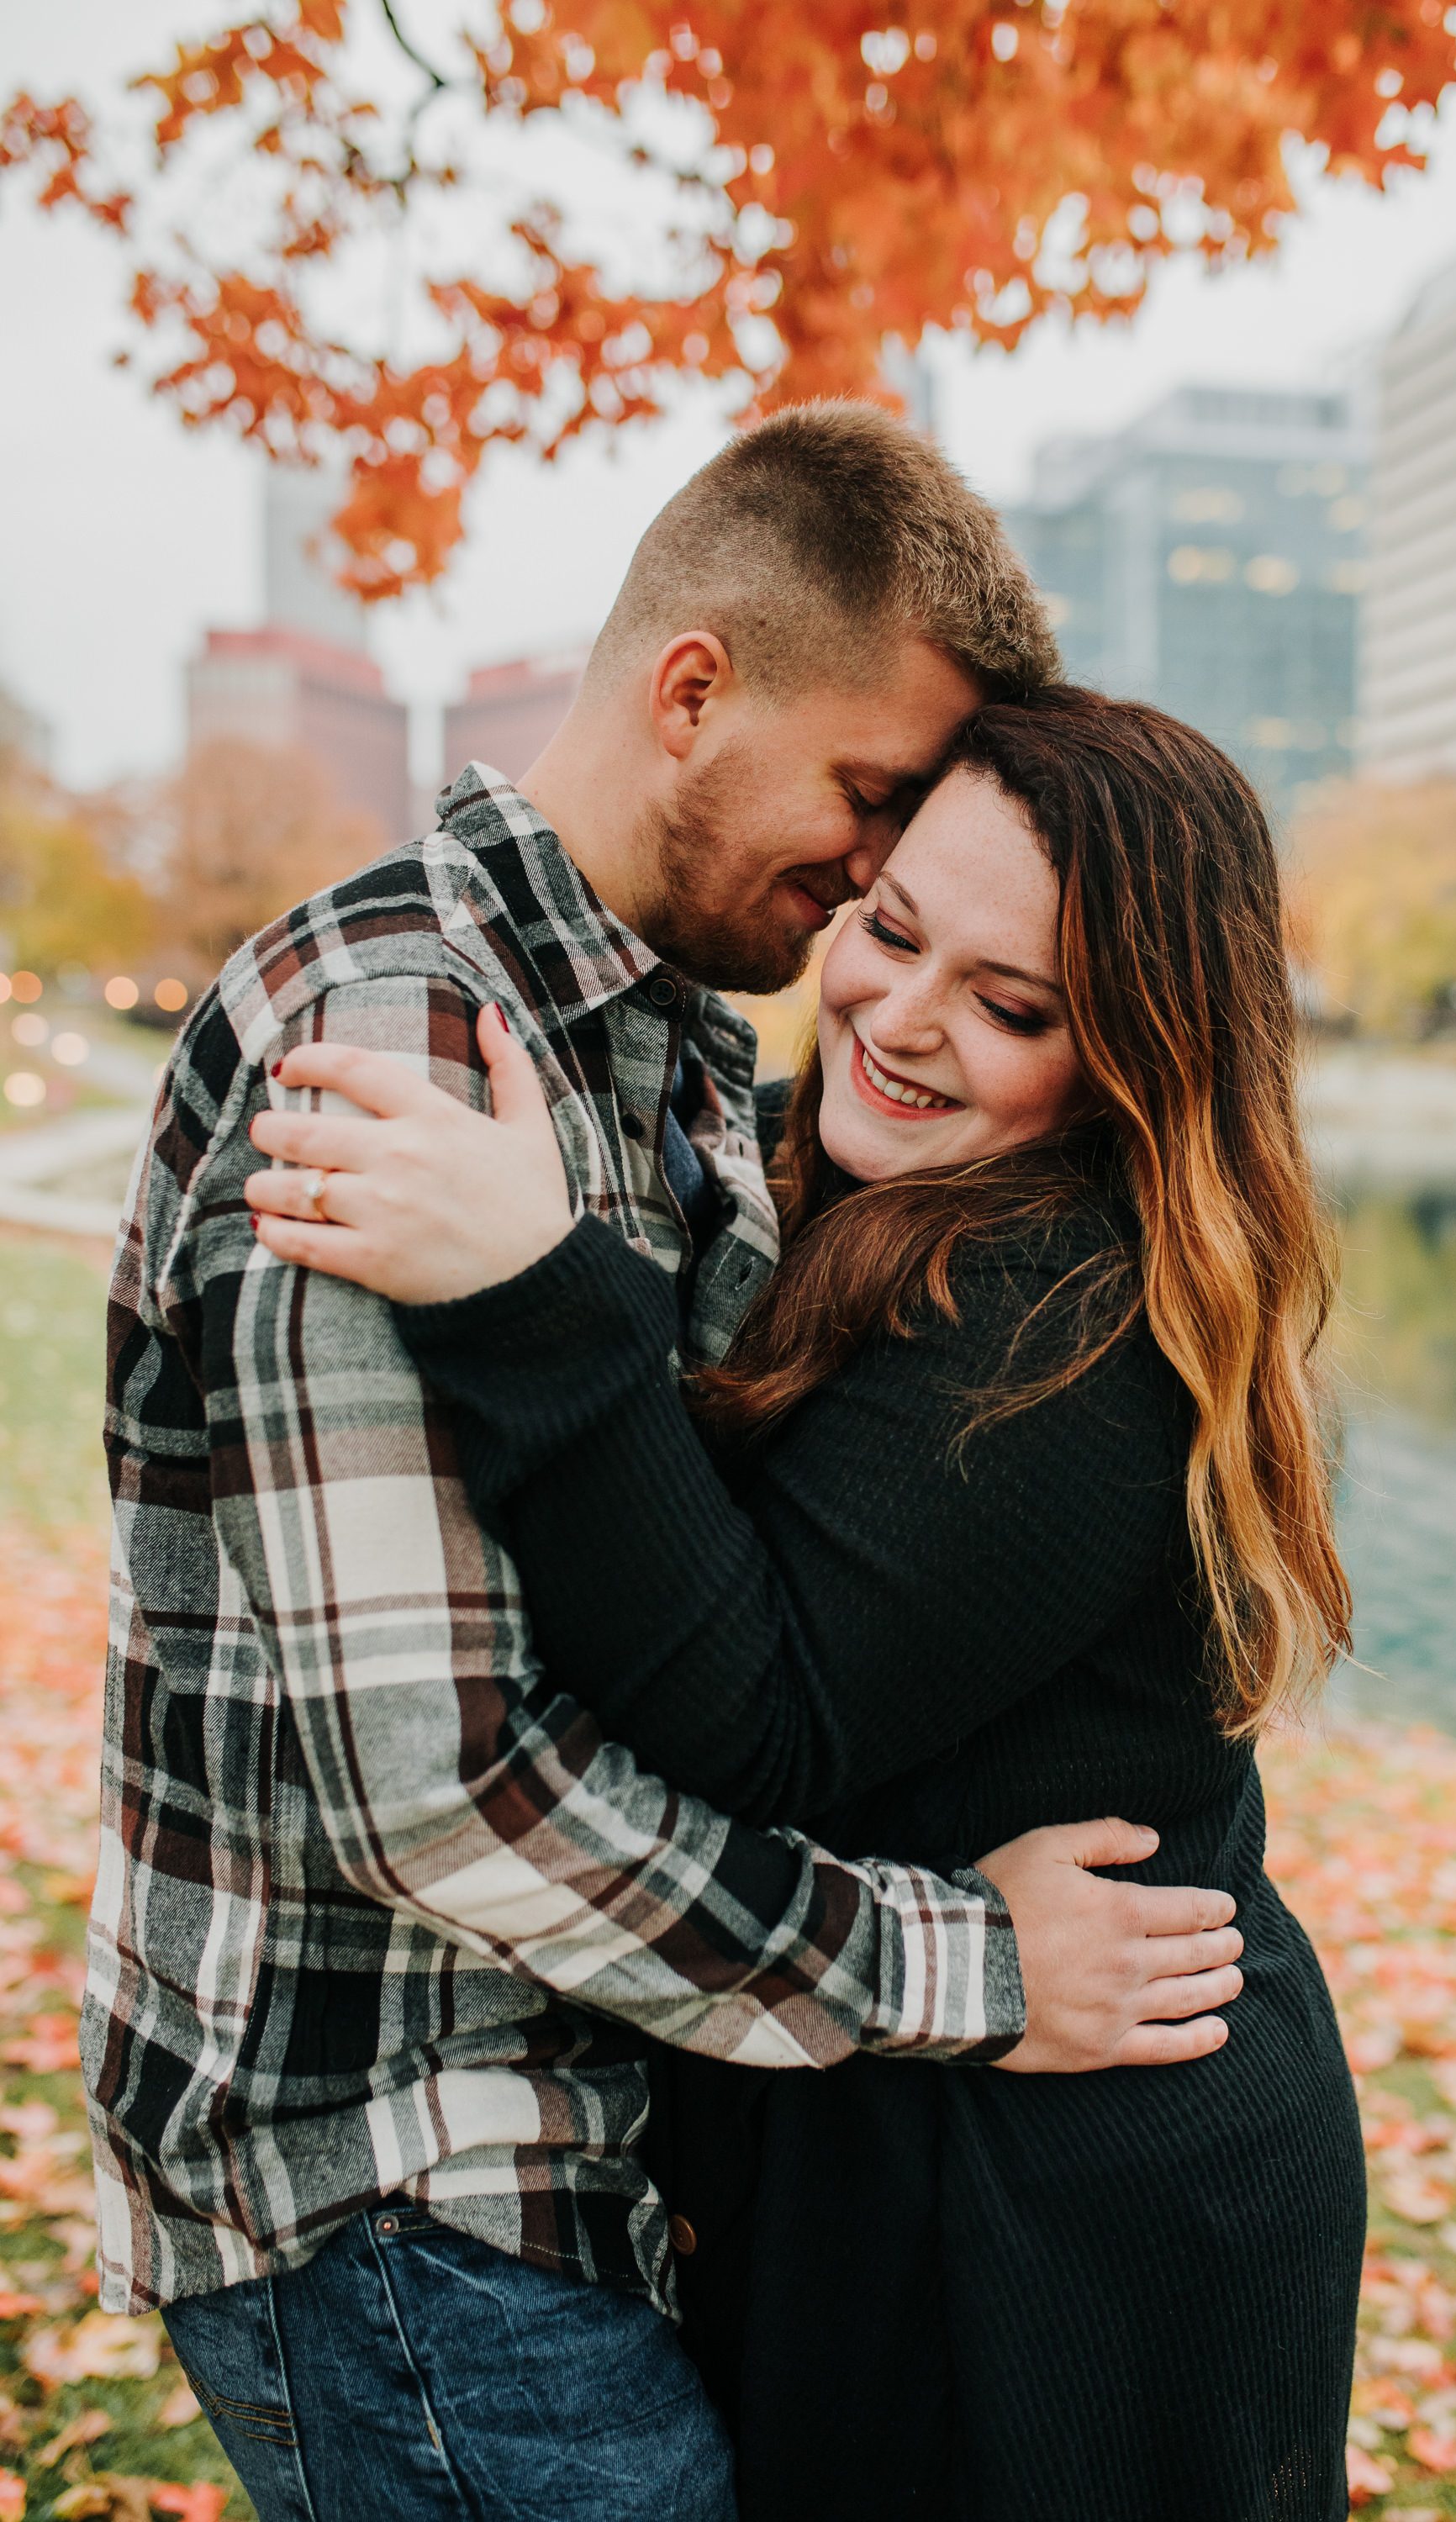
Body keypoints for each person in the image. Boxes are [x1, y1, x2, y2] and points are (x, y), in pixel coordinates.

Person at [89, 409, 1246, 2522]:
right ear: (695, 689)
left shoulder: (690, 1050)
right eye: (869, 817)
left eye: (993, 976)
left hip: (603, 2130)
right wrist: (960, 1966)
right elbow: (442, 1794)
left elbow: (722, 1590)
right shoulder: (399, 1038)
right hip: (396, 2172)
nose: (865, 914)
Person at [246, 687, 1368, 2521]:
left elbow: (755, 1714)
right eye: (890, 926)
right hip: (923, 2099)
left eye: (1009, 1009)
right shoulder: (829, 1166)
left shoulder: (1070, 1321)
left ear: (1138, 1064)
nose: (902, 1024)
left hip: (1061, 2201)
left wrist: (532, 1290)